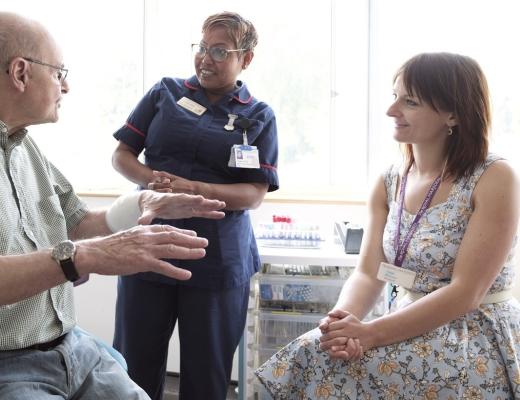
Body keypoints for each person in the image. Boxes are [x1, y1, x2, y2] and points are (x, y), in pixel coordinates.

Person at [256, 52, 520, 399]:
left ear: (453, 114)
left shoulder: (493, 177)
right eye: (394, 96)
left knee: (336, 370)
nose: (392, 110)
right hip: (403, 318)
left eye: (409, 101)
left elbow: (465, 293)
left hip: (470, 331)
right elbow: (368, 273)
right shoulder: (391, 179)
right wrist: (342, 324)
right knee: (312, 352)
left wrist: (370, 334)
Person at [0, 11, 227, 400]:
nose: (66, 86)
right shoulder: (164, 92)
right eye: (58, 73)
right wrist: (85, 257)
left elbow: (78, 221)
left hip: (70, 347)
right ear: (21, 73)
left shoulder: (25, 148)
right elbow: (81, 247)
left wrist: (144, 202)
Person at [111, 11, 279, 400]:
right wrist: (153, 180)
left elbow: (253, 193)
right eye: (201, 48)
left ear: (246, 59)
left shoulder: (257, 116)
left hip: (218, 258)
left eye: (219, 51)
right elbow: (122, 156)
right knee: (132, 365)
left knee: (207, 374)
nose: (206, 58)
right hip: (149, 243)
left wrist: (194, 188)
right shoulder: (165, 92)